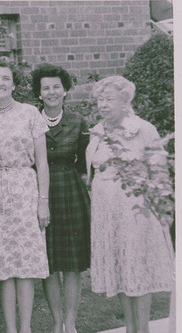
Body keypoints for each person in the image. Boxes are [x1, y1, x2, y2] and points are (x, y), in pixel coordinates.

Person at [86, 76, 174, 333]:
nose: (103, 105)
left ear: (125, 101)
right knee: (120, 269)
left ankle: (143, 328)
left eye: (109, 99)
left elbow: (158, 171)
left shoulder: (142, 128)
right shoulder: (98, 131)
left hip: (135, 212)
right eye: (100, 100)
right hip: (106, 212)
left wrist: (159, 207)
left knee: (137, 268)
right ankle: (130, 327)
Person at [0, 57, 50, 333]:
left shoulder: (30, 113)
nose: (0, 83)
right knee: (4, 264)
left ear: (14, 83)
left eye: (5, 78)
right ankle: (10, 329)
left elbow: (42, 162)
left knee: (26, 264)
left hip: (25, 188)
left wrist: (42, 201)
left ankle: (26, 328)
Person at [30, 63, 90, 333]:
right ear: (39, 94)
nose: (52, 92)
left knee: (73, 264)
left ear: (65, 90)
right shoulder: (31, 119)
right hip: (41, 194)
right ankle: (56, 323)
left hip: (71, 193)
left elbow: (85, 164)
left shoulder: (78, 121)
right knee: (50, 263)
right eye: (46, 88)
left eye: (57, 86)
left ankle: (72, 323)